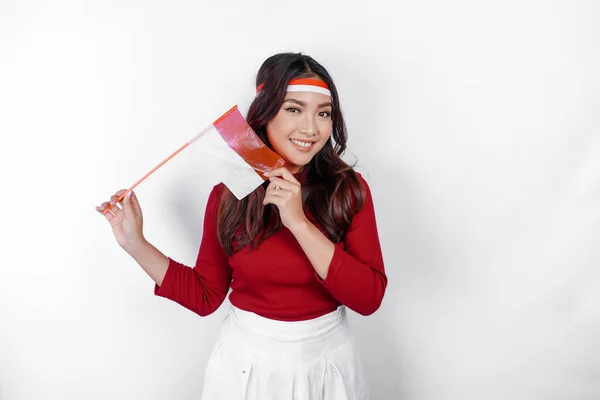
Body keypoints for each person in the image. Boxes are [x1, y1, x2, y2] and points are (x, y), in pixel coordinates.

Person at [96, 52, 387, 400]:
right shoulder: (229, 194)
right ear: (265, 114)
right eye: (294, 109)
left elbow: (368, 298)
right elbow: (205, 296)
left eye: (323, 113)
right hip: (245, 368)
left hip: (328, 366)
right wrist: (135, 244)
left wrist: (298, 222)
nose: (311, 128)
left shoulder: (348, 189)